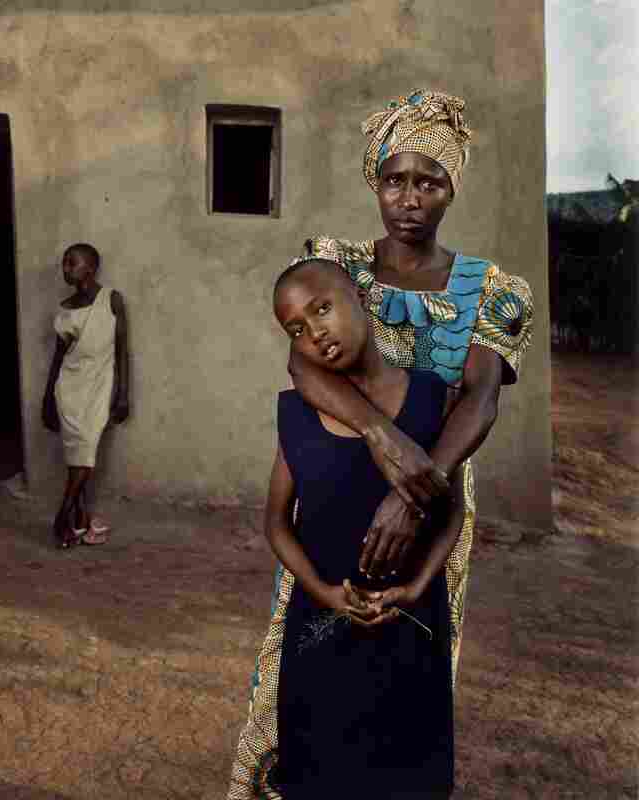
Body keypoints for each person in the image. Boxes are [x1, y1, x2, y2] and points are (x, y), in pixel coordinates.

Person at [228, 89, 533, 798]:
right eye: (395, 179)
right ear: (376, 181)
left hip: (432, 499)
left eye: (429, 181)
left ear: (452, 186)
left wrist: (414, 485)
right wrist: (382, 436)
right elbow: (303, 365)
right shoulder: (337, 265)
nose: (409, 198)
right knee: (312, 659)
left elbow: (480, 397)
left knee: (407, 660)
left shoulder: (494, 289)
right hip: (337, 487)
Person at [229, 257, 464, 799]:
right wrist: (323, 593)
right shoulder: (296, 414)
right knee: (320, 773)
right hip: (321, 631)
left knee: (406, 776)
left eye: (322, 309)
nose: (315, 333)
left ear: (359, 297)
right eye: (297, 329)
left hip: (411, 626)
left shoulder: (431, 397)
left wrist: (419, 585)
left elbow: (451, 510)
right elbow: (275, 521)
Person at [42, 243, 129, 549]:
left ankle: (61, 517)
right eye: (64, 263)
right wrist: (47, 398)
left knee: (85, 455)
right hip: (69, 390)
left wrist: (123, 393)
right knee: (78, 458)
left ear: (90, 268)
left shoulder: (111, 300)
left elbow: (122, 351)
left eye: (71, 263)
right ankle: (79, 521)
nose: (65, 268)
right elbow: (58, 357)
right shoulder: (65, 310)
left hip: (99, 388)